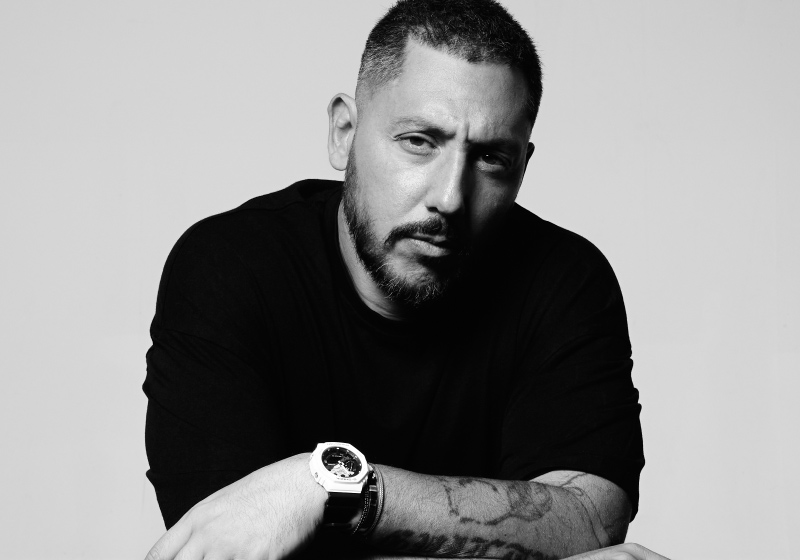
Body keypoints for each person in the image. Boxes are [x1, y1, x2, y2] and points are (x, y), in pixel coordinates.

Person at [143, 1, 669, 559]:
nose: (450, 198)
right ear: (344, 132)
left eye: (491, 159)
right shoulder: (229, 267)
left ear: (523, 167)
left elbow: (588, 522)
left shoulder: (566, 281)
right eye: (419, 141)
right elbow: (226, 544)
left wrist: (339, 489)